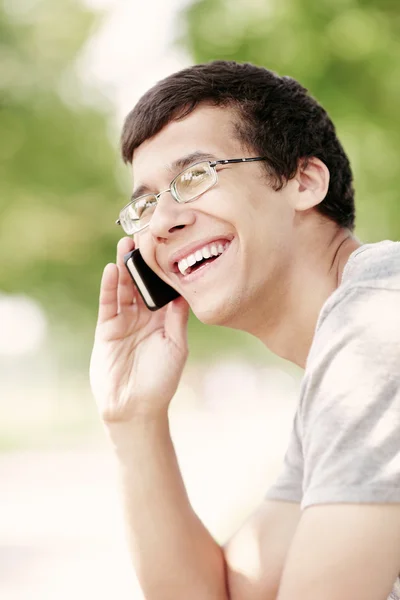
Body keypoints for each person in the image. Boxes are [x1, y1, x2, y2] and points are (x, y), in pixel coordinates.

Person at [89, 61, 400, 600]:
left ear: (303, 181)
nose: (162, 223)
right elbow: (225, 593)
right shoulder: (343, 359)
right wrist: (133, 418)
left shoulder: (378, 324)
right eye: (143, 205)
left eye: (195, 176)